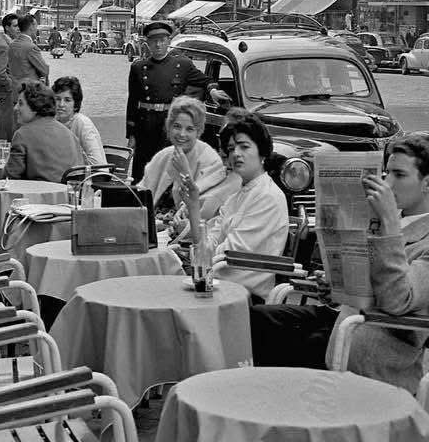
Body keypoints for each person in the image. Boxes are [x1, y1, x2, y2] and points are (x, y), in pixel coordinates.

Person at [250, 132, 429, 393]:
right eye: (387, 173)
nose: (388, 183)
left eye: (399, 175)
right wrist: (336, 286)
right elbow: (363, 276)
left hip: (374, 345)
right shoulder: (382, 218)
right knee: (260, 320)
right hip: (344, 323)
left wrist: (389, 225)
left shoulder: (417, 236)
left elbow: (397, 300)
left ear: (427, 183)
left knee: (279, 349)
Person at [182, 110, 289, 301]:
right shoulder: (238, 196)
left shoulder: (268, 197)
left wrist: (200, 260)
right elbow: (206, 247)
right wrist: (192, 207)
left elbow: (229, 255)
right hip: (218, 283)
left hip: (244, 294)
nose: (236, 154)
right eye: (231, 149)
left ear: (262, 151)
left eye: (244, 146)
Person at [139, 96, 240, 241]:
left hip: (179, 236)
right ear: (169, 127)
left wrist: (184, 172)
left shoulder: (211, 160)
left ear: (198, 132)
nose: (182, 134)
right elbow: (141, 193)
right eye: (177, 126)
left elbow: (198, 209)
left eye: (189, 129)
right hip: (149, 229)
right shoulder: (163, 155)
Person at [126, 20, 208, 182]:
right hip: (145, 125)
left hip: (169, 124)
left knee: (168, 168)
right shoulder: (138, 67)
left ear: (168, 42)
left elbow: (204, 80)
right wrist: (131, 134)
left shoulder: (182, 64)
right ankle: (143, 203)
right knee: (143, 170)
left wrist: (213, 89)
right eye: (154, 41)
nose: (158, 45)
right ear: (147, 43)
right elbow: (132, 101)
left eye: (162, 41)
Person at [4, 81, 82, 182]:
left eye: (20, 103)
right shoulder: (69, 134)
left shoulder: (22, 134)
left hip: (37, 195)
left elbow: (11, 177)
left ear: (35, 107)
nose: (15, 108)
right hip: (67, 194)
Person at [52, 76, 106, 166]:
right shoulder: (54, 121)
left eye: (67, 100)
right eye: (57, 99)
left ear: (75, 104)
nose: (61, 104)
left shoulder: (82, 123)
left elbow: (98, 164)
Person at [0, 12, 20, 141]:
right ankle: (3, 150)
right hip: (7, 91)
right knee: (6, 123)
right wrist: (10, 86)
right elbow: (0, 73)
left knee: (9, 122)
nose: (18, 29)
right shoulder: (4, 46)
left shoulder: (9, 43)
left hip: (8, 90)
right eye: (15, 26)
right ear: (7, 27)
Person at [8, 14, 49, 87]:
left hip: (15, 88)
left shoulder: (11, 44)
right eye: (36, 25)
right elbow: (44, 70)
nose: (36, 29)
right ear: (31, 26)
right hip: (29, 91)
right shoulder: (31, 47)